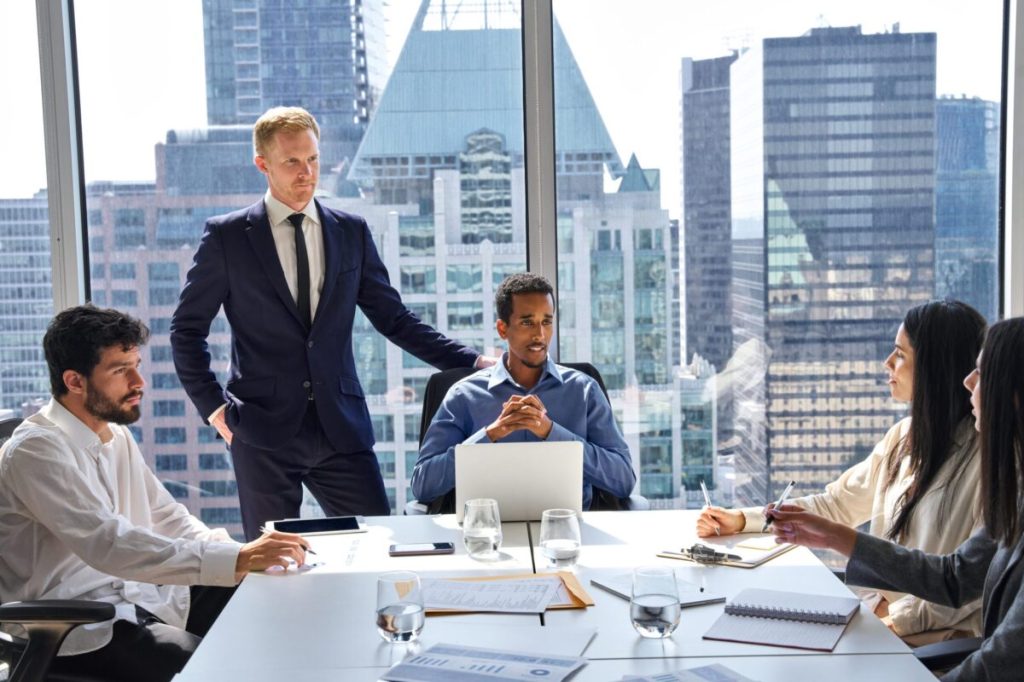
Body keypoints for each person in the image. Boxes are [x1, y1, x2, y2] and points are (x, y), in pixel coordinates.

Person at [170, 106, 490, 539]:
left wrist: (470, 361)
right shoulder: (228, 237)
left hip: (341, 429)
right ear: (262, 164)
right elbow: (187, 330)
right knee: (275, 567)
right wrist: (214, 409)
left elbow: (393, 319)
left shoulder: (350, 231)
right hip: (262, 432)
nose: (306, 172)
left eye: (313, 159)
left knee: (380, 546)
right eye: (292, 162)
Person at [0, 306, 309, 682]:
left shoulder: (115, 435)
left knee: (272, 599)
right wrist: (235, 559)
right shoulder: (36, 451)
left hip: (137, 596)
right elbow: (108, 544)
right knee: (217, 671)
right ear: (75, 382)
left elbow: (166, 516)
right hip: (78, 626)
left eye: (137, 364)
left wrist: (239, 555)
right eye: (120, 370)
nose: (139, 381)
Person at [697, 300, 987, 641]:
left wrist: (891, 620)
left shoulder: (990, 462)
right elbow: (836, 505)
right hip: (875, 622)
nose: (887, 363)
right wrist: (744, 520)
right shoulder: (904, 438)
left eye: (900, 355)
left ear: (935, 368)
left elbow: (968, 586)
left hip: (930, 644)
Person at [770, 317, 1024, 681]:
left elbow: (1004, 661)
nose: (968, 381)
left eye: (983, 374)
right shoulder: (1016, 495)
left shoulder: (999, 473)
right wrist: (833, 535)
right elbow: (954, 578)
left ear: (1014, 395)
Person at [411, 273, 636, 510]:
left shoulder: (584, 390)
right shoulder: (463, 396)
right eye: (527, 322)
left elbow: (623, 480)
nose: (539, 334)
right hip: (487, 532)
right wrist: (490, 435)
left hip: (566, 531)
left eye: (546, 322)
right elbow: (423, 485)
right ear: (502, 328)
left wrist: (551, 432)